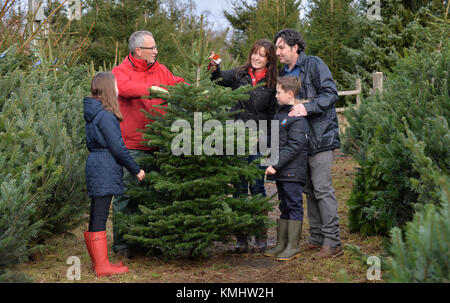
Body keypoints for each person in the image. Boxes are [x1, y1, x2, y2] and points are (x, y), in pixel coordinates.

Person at [111, 30, 185, 257]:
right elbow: (123, 88)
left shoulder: (160, 70)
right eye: (151, 48)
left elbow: (178, 83)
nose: (155, 51)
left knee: (154, 195)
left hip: (159, 143)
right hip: (133, 145)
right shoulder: (119, 71)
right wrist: (151, 90)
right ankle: (123, 245)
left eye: (155, 47)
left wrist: (197, 91)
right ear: (137, 51)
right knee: (127, 196)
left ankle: (149, 242)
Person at [273, 28, 343, 258]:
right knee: (310, 189)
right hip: (300, 143)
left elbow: (331, 93)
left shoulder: (315, 64)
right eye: (276, 48)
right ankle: (316, 237)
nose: (277, 52)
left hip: (321, 138)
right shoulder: (285, 72)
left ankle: (333, 243)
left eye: (281, 47)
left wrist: (307, 107)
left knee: (322, 188)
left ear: (295, 47)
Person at [209, 39, 278, 253]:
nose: (257, 58)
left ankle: (260, 236)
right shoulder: (239, 74)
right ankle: (240, 237)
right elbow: (218, 80)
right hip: (237, 139)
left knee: (257, 187)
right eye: (254, 53)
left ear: (269, 59)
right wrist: (215, 66)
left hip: (259, 141)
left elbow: (274, 115)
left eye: (262, 55)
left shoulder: (273, 82)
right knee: (238, 187)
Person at [83, 72, 145, 277]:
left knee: (96, 213)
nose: (118, 89)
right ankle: (102, 267)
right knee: (100, 215)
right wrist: (136, 169)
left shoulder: (94, 112)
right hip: (105, 166)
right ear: (109, 88)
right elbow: (118, 147)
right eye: (115, 85)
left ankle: (99, 263)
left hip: (95, 163)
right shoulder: (107, 115)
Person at [264, 76, 309, 261]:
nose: (275, 95)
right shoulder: (280, 114)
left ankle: (293, 246)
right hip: (282, 171)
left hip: (292, 171)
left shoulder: (296, 118)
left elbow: (294, 146)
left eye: (278, 92)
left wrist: (275, 164)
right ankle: (281, 244)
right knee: (283, 205)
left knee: (293, 205)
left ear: (290, 94)